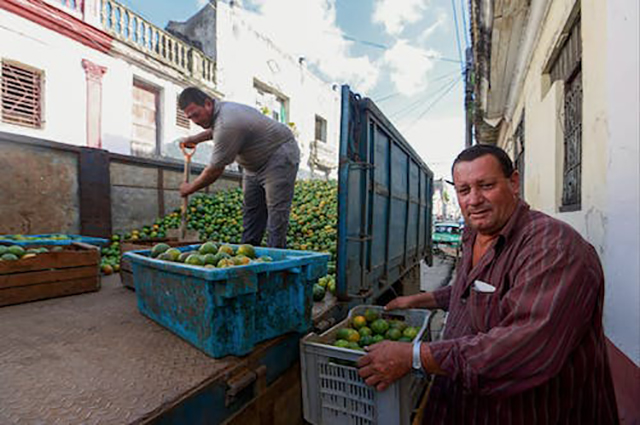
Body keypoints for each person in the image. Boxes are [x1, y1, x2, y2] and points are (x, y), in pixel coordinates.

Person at [357, 145, 619, 424]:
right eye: (464, 190)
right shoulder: (475, 232)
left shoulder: (554, 249)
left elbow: (523, 349)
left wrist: (415, 355)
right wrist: (420, 300)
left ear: (514, 182)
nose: (474, 200)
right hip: (462, 406)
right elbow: (473, 290)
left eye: (486, 185)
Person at [177, 87, 300, 248]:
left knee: (276, 215)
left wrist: (189, 188)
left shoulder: (228, 121)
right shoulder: (219, 115)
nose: (195, 120)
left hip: (278, 156)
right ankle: (247, 256)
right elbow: (215, 130)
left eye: (196, 115)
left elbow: (214, 170)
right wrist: (193, 139)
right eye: (190, 117)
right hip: (253, 166)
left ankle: (275, 261)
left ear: (207, 104)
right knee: (251, 212)